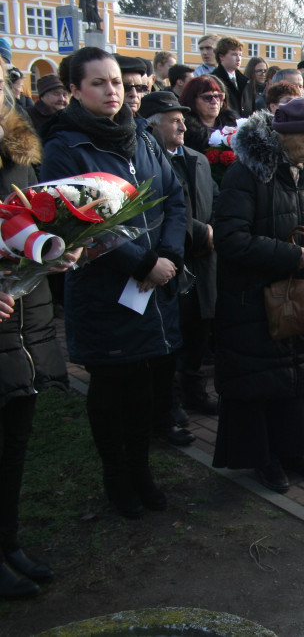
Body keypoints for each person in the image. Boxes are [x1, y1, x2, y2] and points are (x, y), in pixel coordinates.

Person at [40, 46, 187, 519]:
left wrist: (167, 254)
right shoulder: (66, 147)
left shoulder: (142, 137)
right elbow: (78, 225)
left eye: (117, 83)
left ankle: (141, 470)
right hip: (106, 289)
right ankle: (116, 476)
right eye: (99, 83)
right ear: (76, 91)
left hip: (151, 287)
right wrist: (141, 263)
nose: (112, 91)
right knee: (111, 385)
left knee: (144, 382)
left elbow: (174, 198)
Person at [211, 97, 304, 493]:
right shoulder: (247, 173)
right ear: (283, 137)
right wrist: (289, 256)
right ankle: (264, 458)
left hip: (299, 296)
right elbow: (229, 238)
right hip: (253, 300)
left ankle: (296, 449)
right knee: (260, 380)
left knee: (298, 375)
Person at [0, 73, 75, 597]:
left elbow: (25, 217)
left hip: (24, 314)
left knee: (14, 437)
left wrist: (57, 249)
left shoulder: (18, 149)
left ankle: (8, 543)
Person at [138, 91, 220, 419]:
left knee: (199, 330)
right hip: (168, 262)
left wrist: (214, 230)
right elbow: (163, 210)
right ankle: (169, 405)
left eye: (183, 119)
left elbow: (216, 198)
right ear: (153, 127)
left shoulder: (198, 159)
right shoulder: (146, 163)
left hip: (203, 262)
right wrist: (201, 231)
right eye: (174, 120)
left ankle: (194, 391)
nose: (183, 126)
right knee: (172, 336)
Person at [179, 74, 238, 151]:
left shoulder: (234, 124)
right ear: (192, 100)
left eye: (217, 96)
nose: (214, 101)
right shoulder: (185, 131)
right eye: (207, 97)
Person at [211, 37, 250, 117]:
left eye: (240, 55)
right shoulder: (213, 80)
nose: (238, 59)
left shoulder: (246, 81)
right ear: (221, 56)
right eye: (234, 54)